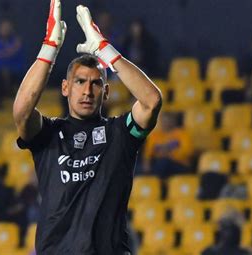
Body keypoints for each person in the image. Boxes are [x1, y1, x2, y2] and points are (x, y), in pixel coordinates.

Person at [13, 2, 162, 254]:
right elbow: (21, 112)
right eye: (80, 82)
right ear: (65, 88)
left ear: (105, 92)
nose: (87, 91)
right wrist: (49, 50)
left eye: (95, 84)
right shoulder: (49, 135)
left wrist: (105, 50)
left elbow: (152, 101)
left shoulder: (120, 134)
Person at [142, 112, 193, 178]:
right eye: (164, 121)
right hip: (159, 165)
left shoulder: (182, 134)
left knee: (164, 162)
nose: (166, 123)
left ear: (174, 121)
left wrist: (169, 154)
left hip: (179, 164)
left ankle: (159, 183)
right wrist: (146, 165)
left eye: (169, 120)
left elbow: (188, 151)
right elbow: (147, 154)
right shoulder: (155, 135)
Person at [0, 19, 26, 96]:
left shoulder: (16, 42)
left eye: (8, 27)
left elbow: (20, 61)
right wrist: (12, 49)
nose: (6, 29)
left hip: (16, 73)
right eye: (3, 27)